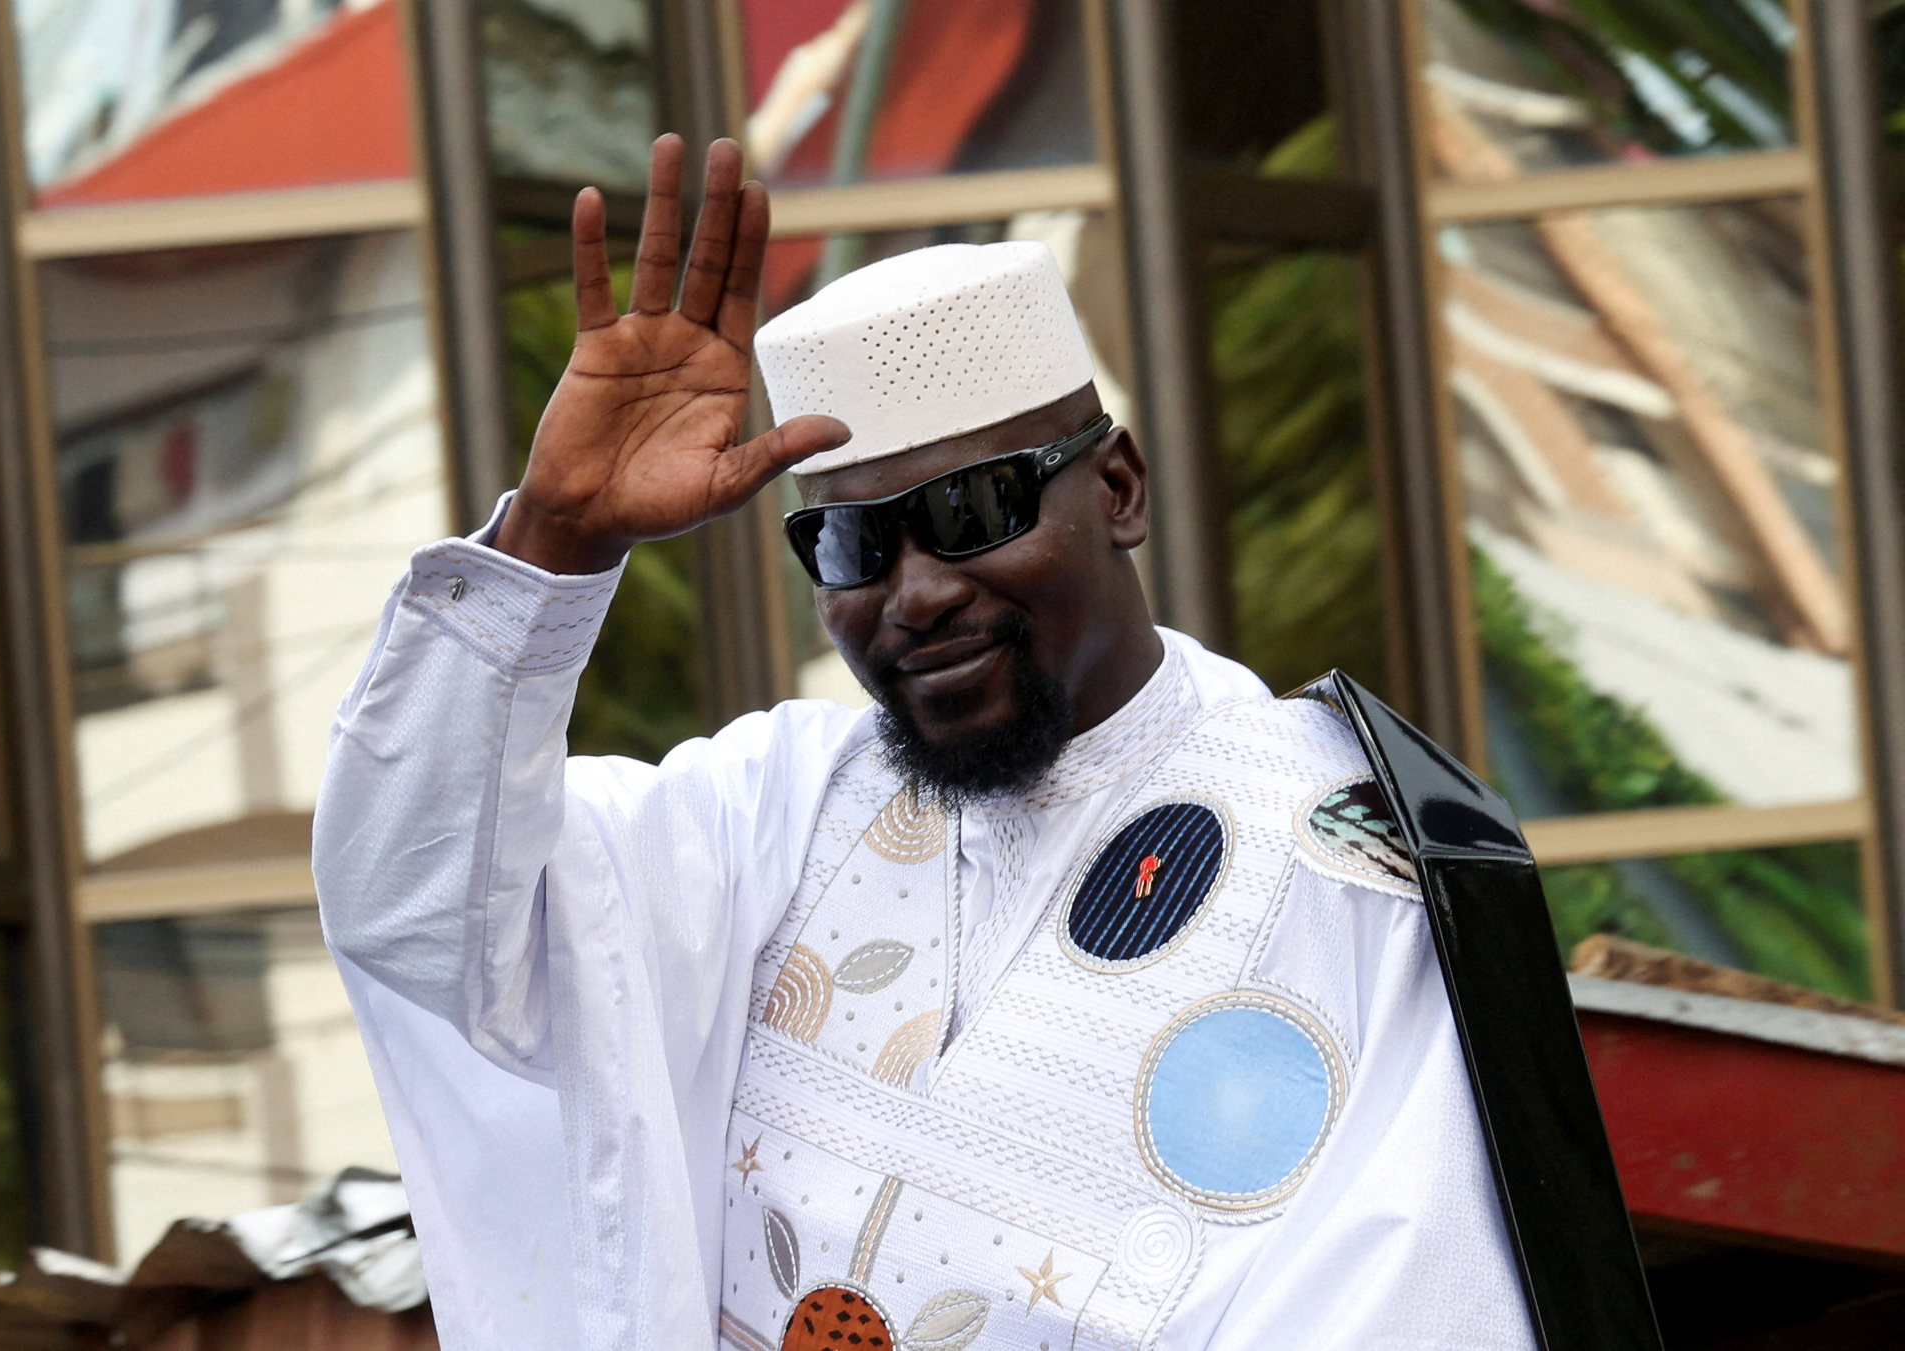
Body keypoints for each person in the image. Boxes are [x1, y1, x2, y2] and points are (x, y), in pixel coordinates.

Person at [314, 134, 1536, 1351]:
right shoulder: (773, 813)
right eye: (852, 544)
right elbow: (416, 913)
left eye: (969, 512)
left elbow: (1410, 1303)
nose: (915, 593)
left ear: (1117, 490)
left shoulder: (1339, 860)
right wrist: (555, 539)